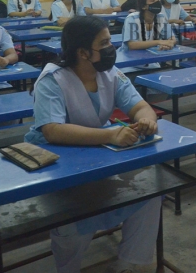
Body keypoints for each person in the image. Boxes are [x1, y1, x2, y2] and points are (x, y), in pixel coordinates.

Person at [25, 16, 160, 273]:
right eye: (105, 43)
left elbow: (141, 106)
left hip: (98, 155)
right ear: (83, 52)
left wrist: (146, 121)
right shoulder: (52, 80)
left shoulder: (109, 74)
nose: (111, 48)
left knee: (150, 192)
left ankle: (131, 263)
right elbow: (52, 130)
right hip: (56, 161)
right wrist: (109, 136)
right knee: (74, 222)